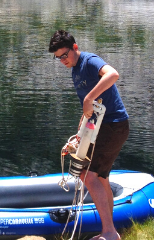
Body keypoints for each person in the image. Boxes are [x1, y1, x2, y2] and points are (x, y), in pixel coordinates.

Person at [49, 30, 130, 240]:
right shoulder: (75, 71)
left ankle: (110, 233)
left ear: (75, 47)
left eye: (64, 55)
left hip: (113, 125)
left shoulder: (89, 61)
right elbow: (88, 108)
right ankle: (109, 230)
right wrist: (79, 135)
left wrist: (90, 97)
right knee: (101, 178)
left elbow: (113, 74)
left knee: (88, 175)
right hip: (101, 126)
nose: (62, 60)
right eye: (58, 58)